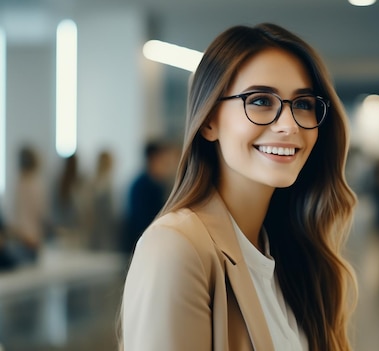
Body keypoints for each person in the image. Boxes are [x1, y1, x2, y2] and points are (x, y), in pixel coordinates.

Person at [121, 23, 357, 351]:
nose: (288, 125)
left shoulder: (289, 252)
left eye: (302, 104)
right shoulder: (176, 248)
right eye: (261, 100)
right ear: (209, 121)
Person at [122, 140, 176, 256]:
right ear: (153, 160)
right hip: (142, 245)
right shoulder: (142, 185)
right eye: (164, 162)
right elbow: (142, 221)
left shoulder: (157, 184)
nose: (167, 167)